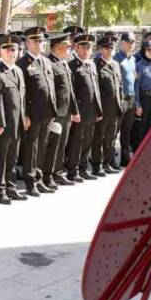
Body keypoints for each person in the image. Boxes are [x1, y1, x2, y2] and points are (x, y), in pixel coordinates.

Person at [16, 26, 58, 197]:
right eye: (36, 40)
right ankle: (30, 181)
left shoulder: (46, 61)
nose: (40, 43)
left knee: (42, 147)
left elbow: (51, 87)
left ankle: (39, 178)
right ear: (27, 43)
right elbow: (22, 92)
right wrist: (24, 114)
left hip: (47, 112)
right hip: (32, 114)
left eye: (41, 40)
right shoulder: (22, 63)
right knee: (31, 148)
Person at [0, 35, 28, 204]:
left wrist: (24, 116)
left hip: (17, 123)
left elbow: (22, 97)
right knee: (0, 160)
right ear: (0, 51)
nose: (11, 52)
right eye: (7, 49)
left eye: (14, 49)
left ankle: (11, 187)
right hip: (3, 125)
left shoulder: (18, 70)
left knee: (12, 158)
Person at [39, 32, 78, 189]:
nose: (69, 49)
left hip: (66, 111)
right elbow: (51, 92)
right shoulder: (50, 64)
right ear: (58, 47)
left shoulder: (63, 63)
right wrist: (52, 113)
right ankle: (47, 175)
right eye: (67, 47)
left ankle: (57, 172)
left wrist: (74, 110)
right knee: (52, 146)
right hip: (56, 112)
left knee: (62, 145)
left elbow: (70, 90)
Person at [66, 33, 102, 182]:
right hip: (80, 110)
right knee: (76, 141)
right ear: (77, 47)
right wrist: (74, 111)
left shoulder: (92, 64)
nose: (87, 50)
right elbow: (71, 91)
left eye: (89, 47)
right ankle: (72, 170)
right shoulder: (72, 65)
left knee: (87, 140)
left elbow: (96, 89)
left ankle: (83, 167)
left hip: (92, 110)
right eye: (84, 47)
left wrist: (99, 110)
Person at [92, 36, 123, 175]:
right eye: (106, 48)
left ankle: (108, 162)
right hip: (103, 108)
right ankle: (96, 165)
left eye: (112, 48)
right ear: (100, 49)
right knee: (98, 137)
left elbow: (119, 86)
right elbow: (95, 89)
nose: (109, 51)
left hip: (115, 108)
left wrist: (120, 104)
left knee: (110, 138)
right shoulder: (96, 64)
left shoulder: (116, 64)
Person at [114, 32, 139, 167]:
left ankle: (124, 158)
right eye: (128, 42)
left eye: (133, 42)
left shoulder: (133, 59)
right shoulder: (116, 59)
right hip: (121, 98)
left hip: (131, 98)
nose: (131, 45)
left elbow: (135, 81)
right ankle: (110, 159)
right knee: (115, 131)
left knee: (127, 131)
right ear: (122, 43)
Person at [132, 41, 151, 152]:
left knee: (150, 125)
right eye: (148, 49)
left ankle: (146, 149)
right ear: (143, 51)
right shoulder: (139, 66)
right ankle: (138, 150)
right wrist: (137, 104)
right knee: (141, 126)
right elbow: (136, 86)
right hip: (143, 97)